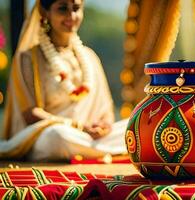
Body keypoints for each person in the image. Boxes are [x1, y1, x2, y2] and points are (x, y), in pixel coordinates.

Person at [0, 0, 128, 161]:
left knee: (130, 128)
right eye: (62, 9)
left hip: (89, 136)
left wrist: (102, 127)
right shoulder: (28, 58)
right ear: (45, 12)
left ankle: (93, 149)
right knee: (57, 136)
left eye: (76, 8)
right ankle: (105, 151)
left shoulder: (90, 57)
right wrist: (79, 127)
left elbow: (106, 111)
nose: (71, 16)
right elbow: (30, 114)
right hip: (50, 135)